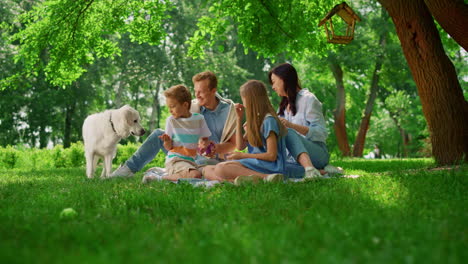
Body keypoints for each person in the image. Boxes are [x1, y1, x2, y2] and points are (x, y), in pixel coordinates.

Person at [110, 71, 237, 178]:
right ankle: (127, 169)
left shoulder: (229, 112)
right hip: (187, 153)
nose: (197, 96)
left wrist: (216, 148)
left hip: (211, 159)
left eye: (201, 92)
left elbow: (234, 144)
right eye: (195, 91)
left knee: (196, 174)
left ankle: (165, 174)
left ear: (213, 91)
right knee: (159, 134)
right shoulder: (193, 108)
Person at [268, 63, 344, 178]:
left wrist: (291, 126)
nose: (273, 87)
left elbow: (321, 133)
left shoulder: (308, 99)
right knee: (276, 168)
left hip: (317, 153)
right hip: (293, 159)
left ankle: (311, 169)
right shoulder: (283, 106)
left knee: (290, 133)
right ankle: (322, 172)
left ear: (284, 79)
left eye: (274, 82)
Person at [203, 80, 286, 184]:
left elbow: (271, 155)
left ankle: (267, 178)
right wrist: (238, 118)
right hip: (256, 163)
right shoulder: (256, 120)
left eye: (243, 99)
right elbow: (240, 146)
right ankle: (242, 181)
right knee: (207, 169)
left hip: (268, 166)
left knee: (220, 168)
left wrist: (242, 156)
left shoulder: (269, 120)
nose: (243, 102)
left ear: (251, 100)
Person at [142, 85, 212, 182]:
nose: (170, 110)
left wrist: (204, 143)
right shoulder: (171, 121)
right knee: (195, 175)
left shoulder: (199, 119)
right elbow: (169, 148)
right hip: (175, 159)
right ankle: (158, 178)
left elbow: (205, 138)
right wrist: (167, 141)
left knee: (207, 173)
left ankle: (163, 172)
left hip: (192, 161)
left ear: (185, 105)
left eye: (173, 106)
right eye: (168, 107)